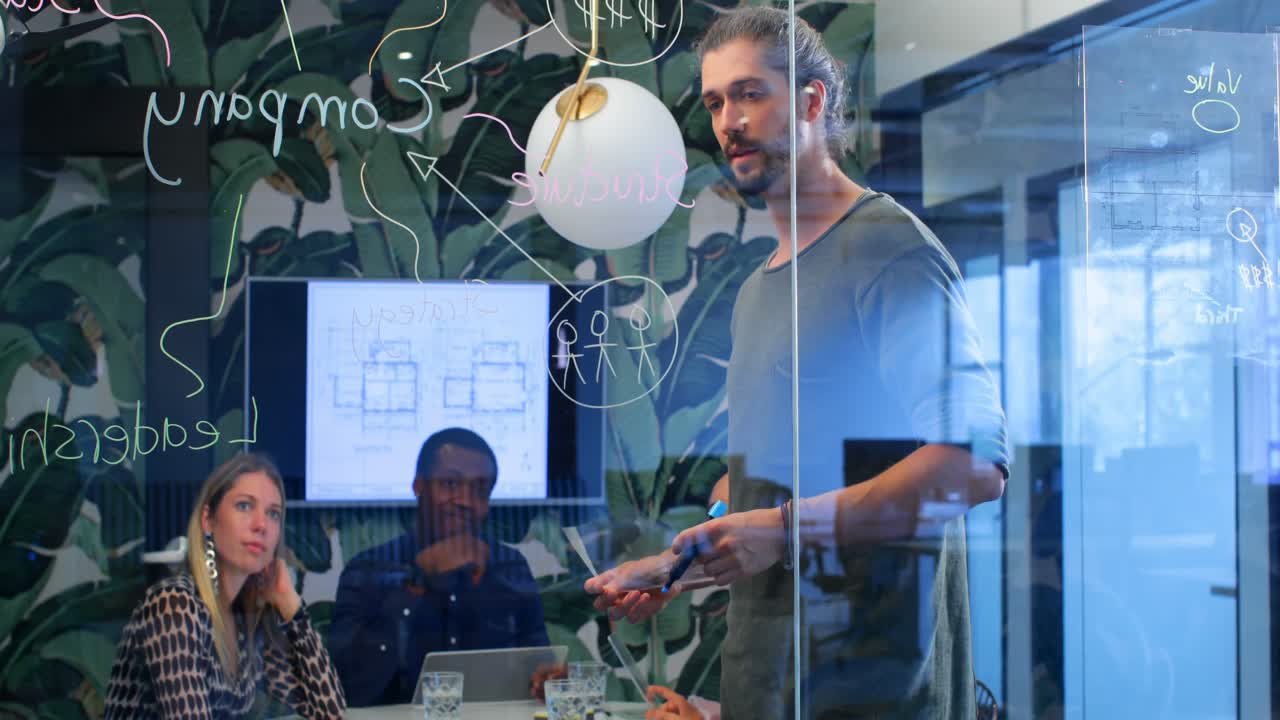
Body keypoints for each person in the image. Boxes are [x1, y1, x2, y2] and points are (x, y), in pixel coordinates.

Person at [587, 7, 1010, 720]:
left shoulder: (888, 250)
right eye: (716, 101)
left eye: (750, 93)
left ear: (812, 102)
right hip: (768, 686)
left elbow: (973, 468)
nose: (727, 121)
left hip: (873, 694)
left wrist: (777, 530)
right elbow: (763, 484)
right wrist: (687, 561)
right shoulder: (758, 287)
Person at [103, 453, 346, 719]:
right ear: (208, 520)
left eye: (273, 513)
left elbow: (329, 711)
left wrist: (290, 604)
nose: (261, 525)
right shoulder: (174, 606)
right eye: (244, 506)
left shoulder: (246, 619)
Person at [331, 427, 549, 706]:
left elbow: (541, 667)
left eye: (480, 491)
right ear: (418, 486)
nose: (465, 501)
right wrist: (417, 583)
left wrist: (547, 679)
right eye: (449, 484)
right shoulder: (367, 570)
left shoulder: (510, 567)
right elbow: (347, 685)